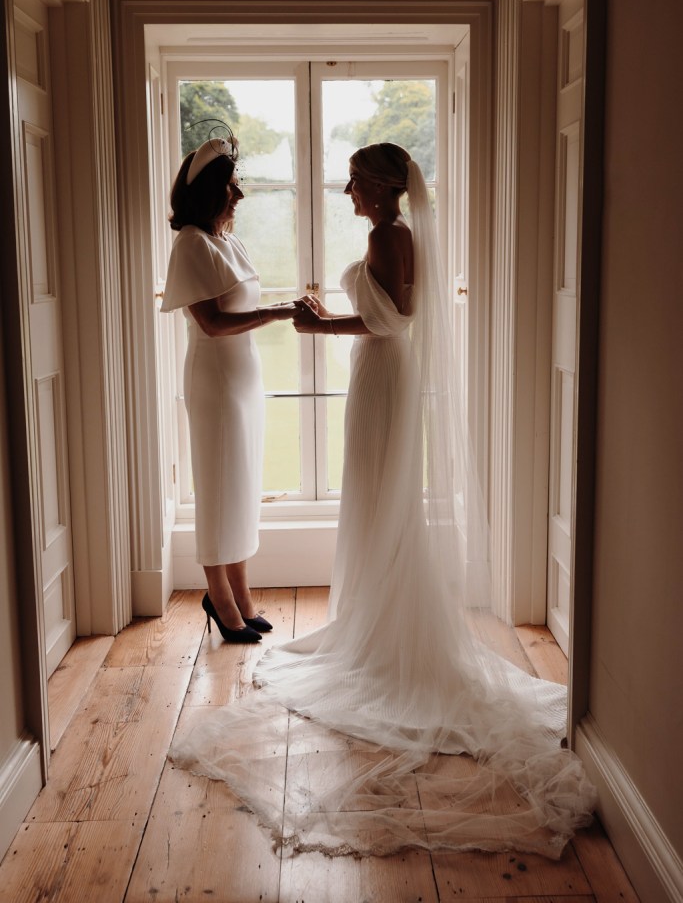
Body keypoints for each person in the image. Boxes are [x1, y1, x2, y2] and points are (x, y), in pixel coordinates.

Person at [171, 143, 595, 858]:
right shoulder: (394, 235)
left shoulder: (384, 236)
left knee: (376, 497)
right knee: (376, 500)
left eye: (352, 182)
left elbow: (392, 322)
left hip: (381, 372)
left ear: (377, 187)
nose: (344, 190)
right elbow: (391, 314)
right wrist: (321, 319)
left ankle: (381, 636)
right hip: (379, 376)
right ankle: (376, 622)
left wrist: (314, 324)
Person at [161, 134, 297, 643]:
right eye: (232, 186)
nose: (239, 195)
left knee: (241, 485)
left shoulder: (228, 241)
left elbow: (240, 308)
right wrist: (279, 313)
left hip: (244, 376)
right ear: (211, 192)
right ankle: (218, 597)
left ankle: (241, 592)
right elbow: (214, 323)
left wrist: (283, 309)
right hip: (215, 379)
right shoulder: (191, 243)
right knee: (219, 487)